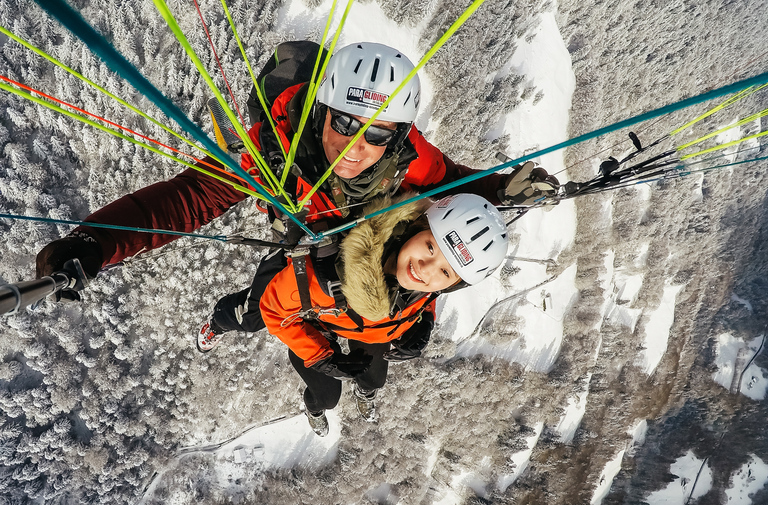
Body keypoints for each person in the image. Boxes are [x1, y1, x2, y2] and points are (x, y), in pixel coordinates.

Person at [35, 41, 557, 325]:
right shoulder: (270, 153)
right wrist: (94, 242)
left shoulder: (411, 160)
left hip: (374, 244)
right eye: (345, 123)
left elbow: (453, 187)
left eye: (376, 132)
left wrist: (501, 190)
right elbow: (185, 201)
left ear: (397, 134)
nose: (356, 145)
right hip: (309, 230)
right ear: (322, 111)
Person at [255, 193, 508, 436]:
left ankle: (364, 393)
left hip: (374, 333)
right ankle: (315, 408)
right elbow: (273, 311)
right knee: (327, 396)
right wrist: (320, 356)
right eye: (430, 247)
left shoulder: (425, 287)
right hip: (323, 326)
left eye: (445, 273)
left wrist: (425, 320)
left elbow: (429, 295)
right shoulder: (319, 278)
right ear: (416, 225)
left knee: (374, 381)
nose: (425, 270)